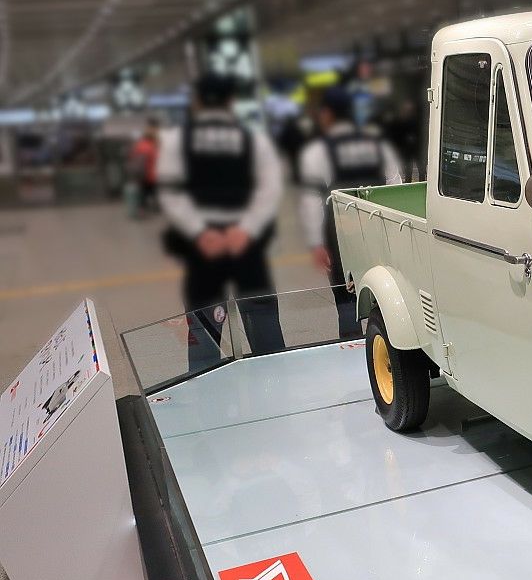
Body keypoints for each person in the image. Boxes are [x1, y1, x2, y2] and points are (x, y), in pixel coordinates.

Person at [157, 74, 285, 368]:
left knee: (204, 328)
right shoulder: (253, 140)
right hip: (247, 246)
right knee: (261, 316)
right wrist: (246, 229)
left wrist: (201, 232)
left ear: (197, 102)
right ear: (231, 101)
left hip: (203, 249)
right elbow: (270, 189)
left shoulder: (177, 142)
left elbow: (170, 193)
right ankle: (275, 377)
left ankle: (206, 383)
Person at [299, 86, 403, 338]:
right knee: (384, 297)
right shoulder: (378, 145)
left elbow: (312, 202)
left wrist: (316, 243)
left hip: (340, 238)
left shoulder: (317, 152)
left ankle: (350, 347)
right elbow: (396, 188)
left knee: (346, 302)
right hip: (378, 234)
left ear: (327, 114)